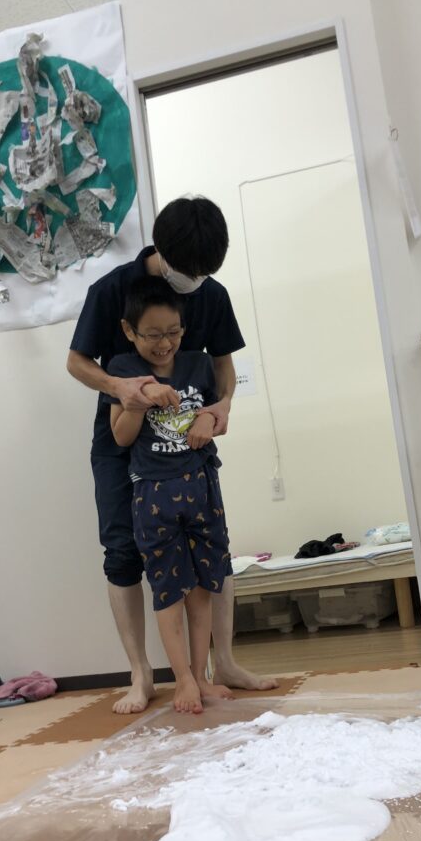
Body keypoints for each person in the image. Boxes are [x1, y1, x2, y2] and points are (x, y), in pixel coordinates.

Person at [67, 196, 276, 714]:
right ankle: (141, 673)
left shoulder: (211, 293)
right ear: (160, 249)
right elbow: (76, 362)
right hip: (123, 443)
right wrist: (121, 387)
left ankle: (224, 663)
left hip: (190, 445)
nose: (194, 282)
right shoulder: (112, 290)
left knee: (213, 548)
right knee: (122, 550)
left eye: (204, 274)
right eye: (187, 272)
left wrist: (222, 406)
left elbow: (223, 365)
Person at [107, 276, 234, 713]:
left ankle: (201, 676)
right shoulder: (123, 369)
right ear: (130, 331)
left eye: (173, 332)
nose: (165, 344)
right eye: (153, 335)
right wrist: (140, 399)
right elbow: (121, 437)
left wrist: (209, 420)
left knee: (202, 587)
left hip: (201, 487)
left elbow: (215, 414)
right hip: (154, 496)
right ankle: (182, 679)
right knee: (168, 589)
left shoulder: (199, 364)